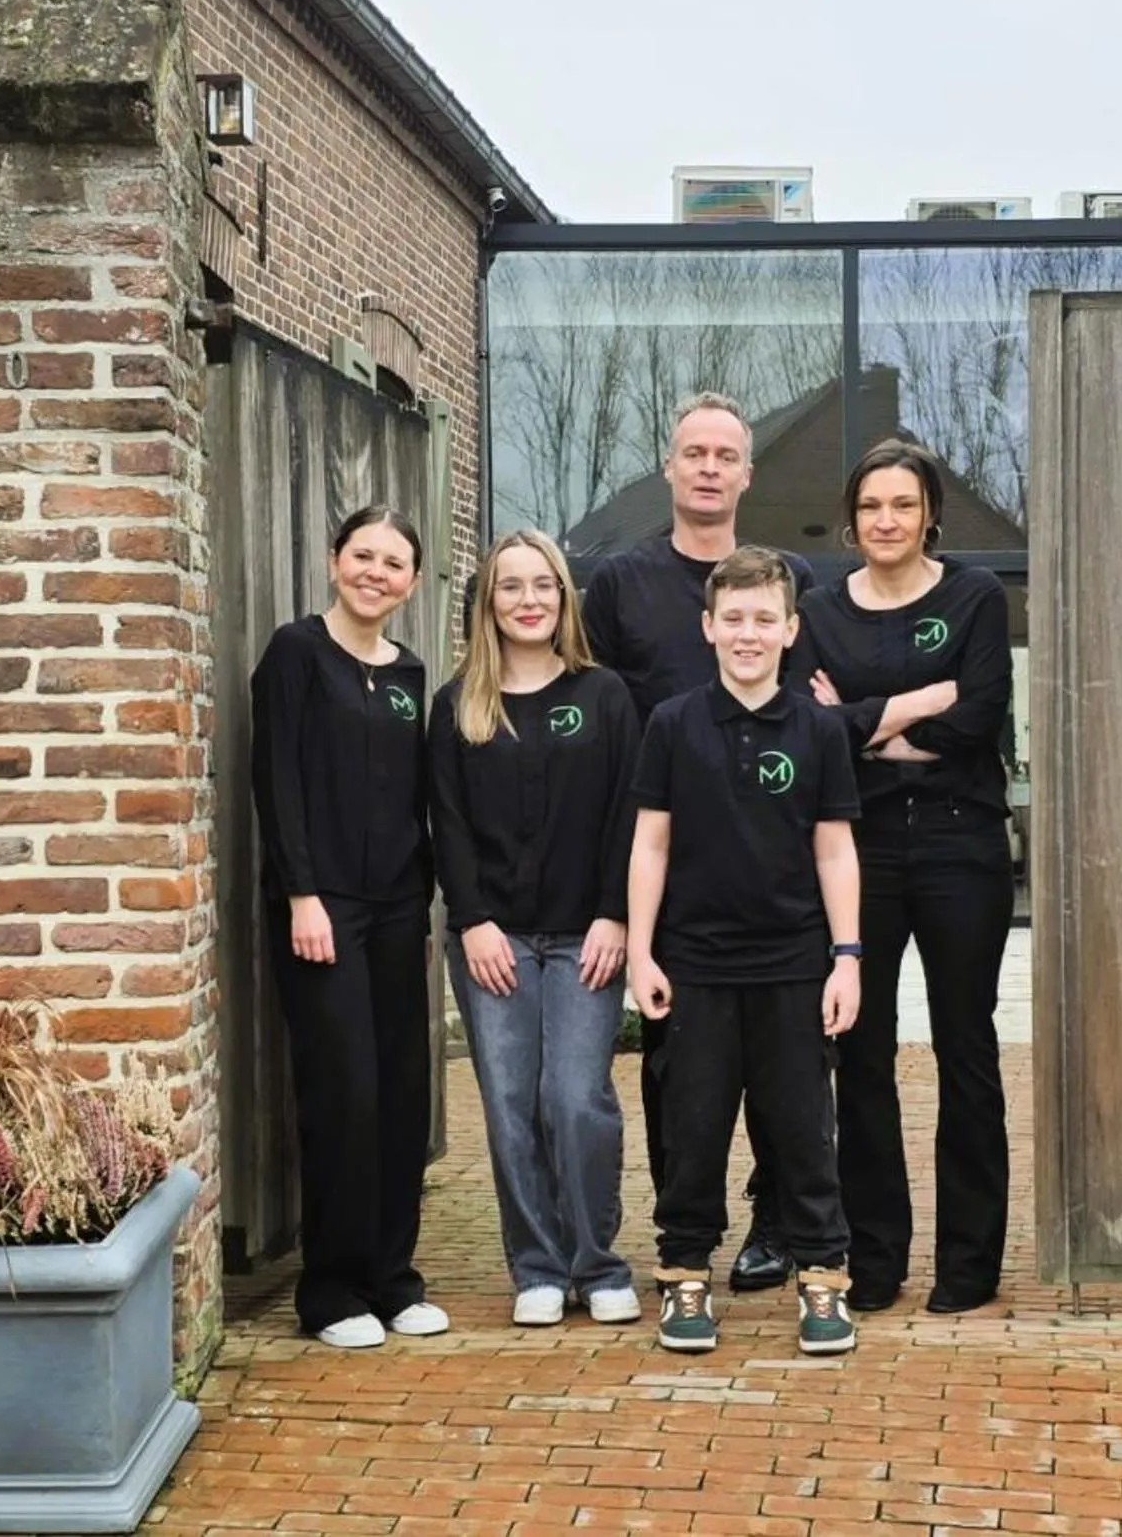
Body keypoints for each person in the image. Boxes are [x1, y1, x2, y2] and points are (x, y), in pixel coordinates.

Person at [583, 392, 815, 1293]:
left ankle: (776, 1224)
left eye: (726, 454)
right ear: (670, 468)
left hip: (774, 867)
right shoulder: (620, 584)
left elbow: (823, 705)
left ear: (747, 474)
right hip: (668, 863)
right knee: (681, 1067)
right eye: (695, 452)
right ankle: (688, 1231)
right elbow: (598, 721)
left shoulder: (791, 578)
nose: (710, 467)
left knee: (782, 1071)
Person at [628, 547, 863, 1357]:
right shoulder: (671, 724)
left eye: (765, 618)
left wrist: (848, 957)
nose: (749, 633)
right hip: (694, 967)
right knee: (691, 1130)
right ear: (707, 626)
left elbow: (835, 851)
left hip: (795, 966)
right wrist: (641, 954)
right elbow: (650, 846)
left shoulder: (820, 728)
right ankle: (685, 1274)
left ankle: (824, 1282)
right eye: (734, 618)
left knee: (803, 1129)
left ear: (791, 629)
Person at [801, 439, 1015, 1314]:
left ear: (930, 513)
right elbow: (812, 734)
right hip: (864, 848)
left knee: (967, 1048)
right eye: (870, 506)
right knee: (862, 1054)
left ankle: (970, 1264)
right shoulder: (818, 611)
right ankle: (876, 1257)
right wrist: (925, 701)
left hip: (962, 844)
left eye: (902, 504)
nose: (886, 520)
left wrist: (865, 727)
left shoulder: (975, 596)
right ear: (851, 521)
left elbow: (980, 717)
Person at [427, 529, 642, 1328]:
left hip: (588, 933)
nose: (529, 600)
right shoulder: (460, 706)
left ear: (563, 598)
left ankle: (600, 1262)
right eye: (510, 586)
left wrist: (616, 913)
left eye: (543, 584)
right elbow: (446, 823)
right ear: (486, 603)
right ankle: (540, 1267)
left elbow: (629, 814)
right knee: (511, 1101)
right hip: (496, 940)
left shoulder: (605, 696)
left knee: (575, 1096)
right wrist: (473, 920)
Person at [250, 506, 448, 1349]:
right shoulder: (297, 654)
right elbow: (278, 781)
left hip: (401, 909)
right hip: (321, 910)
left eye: (394, 562)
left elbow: (417, 797)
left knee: (403, 1092)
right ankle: (331, 1292)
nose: (376, 572)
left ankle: (393, 1280)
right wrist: (303, 895)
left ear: (410, 581)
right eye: (362, 555)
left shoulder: (409, 674)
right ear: (334, 561)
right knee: (344, 1094)